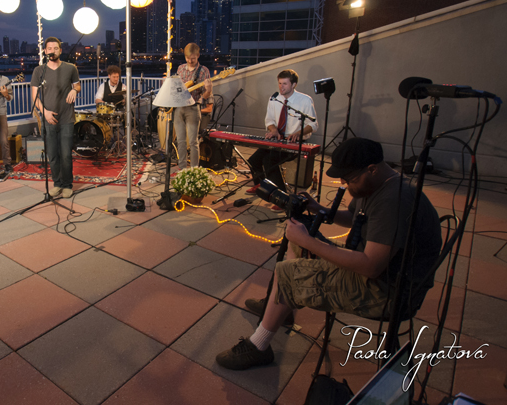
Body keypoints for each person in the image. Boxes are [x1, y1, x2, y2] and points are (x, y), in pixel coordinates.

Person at [215, 137, 441, 371]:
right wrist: (318, 209)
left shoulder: (393, 201)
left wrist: (308, 241)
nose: (344, 184)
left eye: (348, 179)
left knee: (288, 269)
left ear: (372, 169)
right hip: (376, 273)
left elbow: (371, 266)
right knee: (297, 248)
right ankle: (284, 306)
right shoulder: (375, 184)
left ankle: (258, 347)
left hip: (387, 291)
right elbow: (354, 218)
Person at [246, 69, 317, 196]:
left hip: (294, 142)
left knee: (269, 160)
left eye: (284, 84)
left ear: (293, 84)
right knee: (253, 160)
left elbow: (313, 124)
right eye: (279, 83)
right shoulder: (274, 99)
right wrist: (273, 130)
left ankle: (281, 195)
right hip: (277, 139)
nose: (281, 87)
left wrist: (298, 133)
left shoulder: (305, 100)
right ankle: (262, 186)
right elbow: (269, 120)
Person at [30, 37, 81, 198]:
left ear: (60, 50)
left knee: (66, 154)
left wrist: (75, 90)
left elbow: (77, 84)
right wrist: (44, 112)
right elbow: (34, 96)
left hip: (66, 118)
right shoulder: (39, 71)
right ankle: (57, 183)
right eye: (49, 48)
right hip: (48, 118)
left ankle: (67, 184)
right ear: (45, 51)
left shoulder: (70, 68)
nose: (52, 51)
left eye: (55, 48)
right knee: (52, 154)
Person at [174, 43, 211, 171]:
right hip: (179, 107)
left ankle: (194, 170)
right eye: (188, 58)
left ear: (198, 56)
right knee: (181, 141)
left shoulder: (204, 71)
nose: (190, 61)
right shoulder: (180, 69)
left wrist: (208, 89)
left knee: (193, 142)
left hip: (193, 107)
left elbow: (205, 96)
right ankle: (182, 169)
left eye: (193, 58)